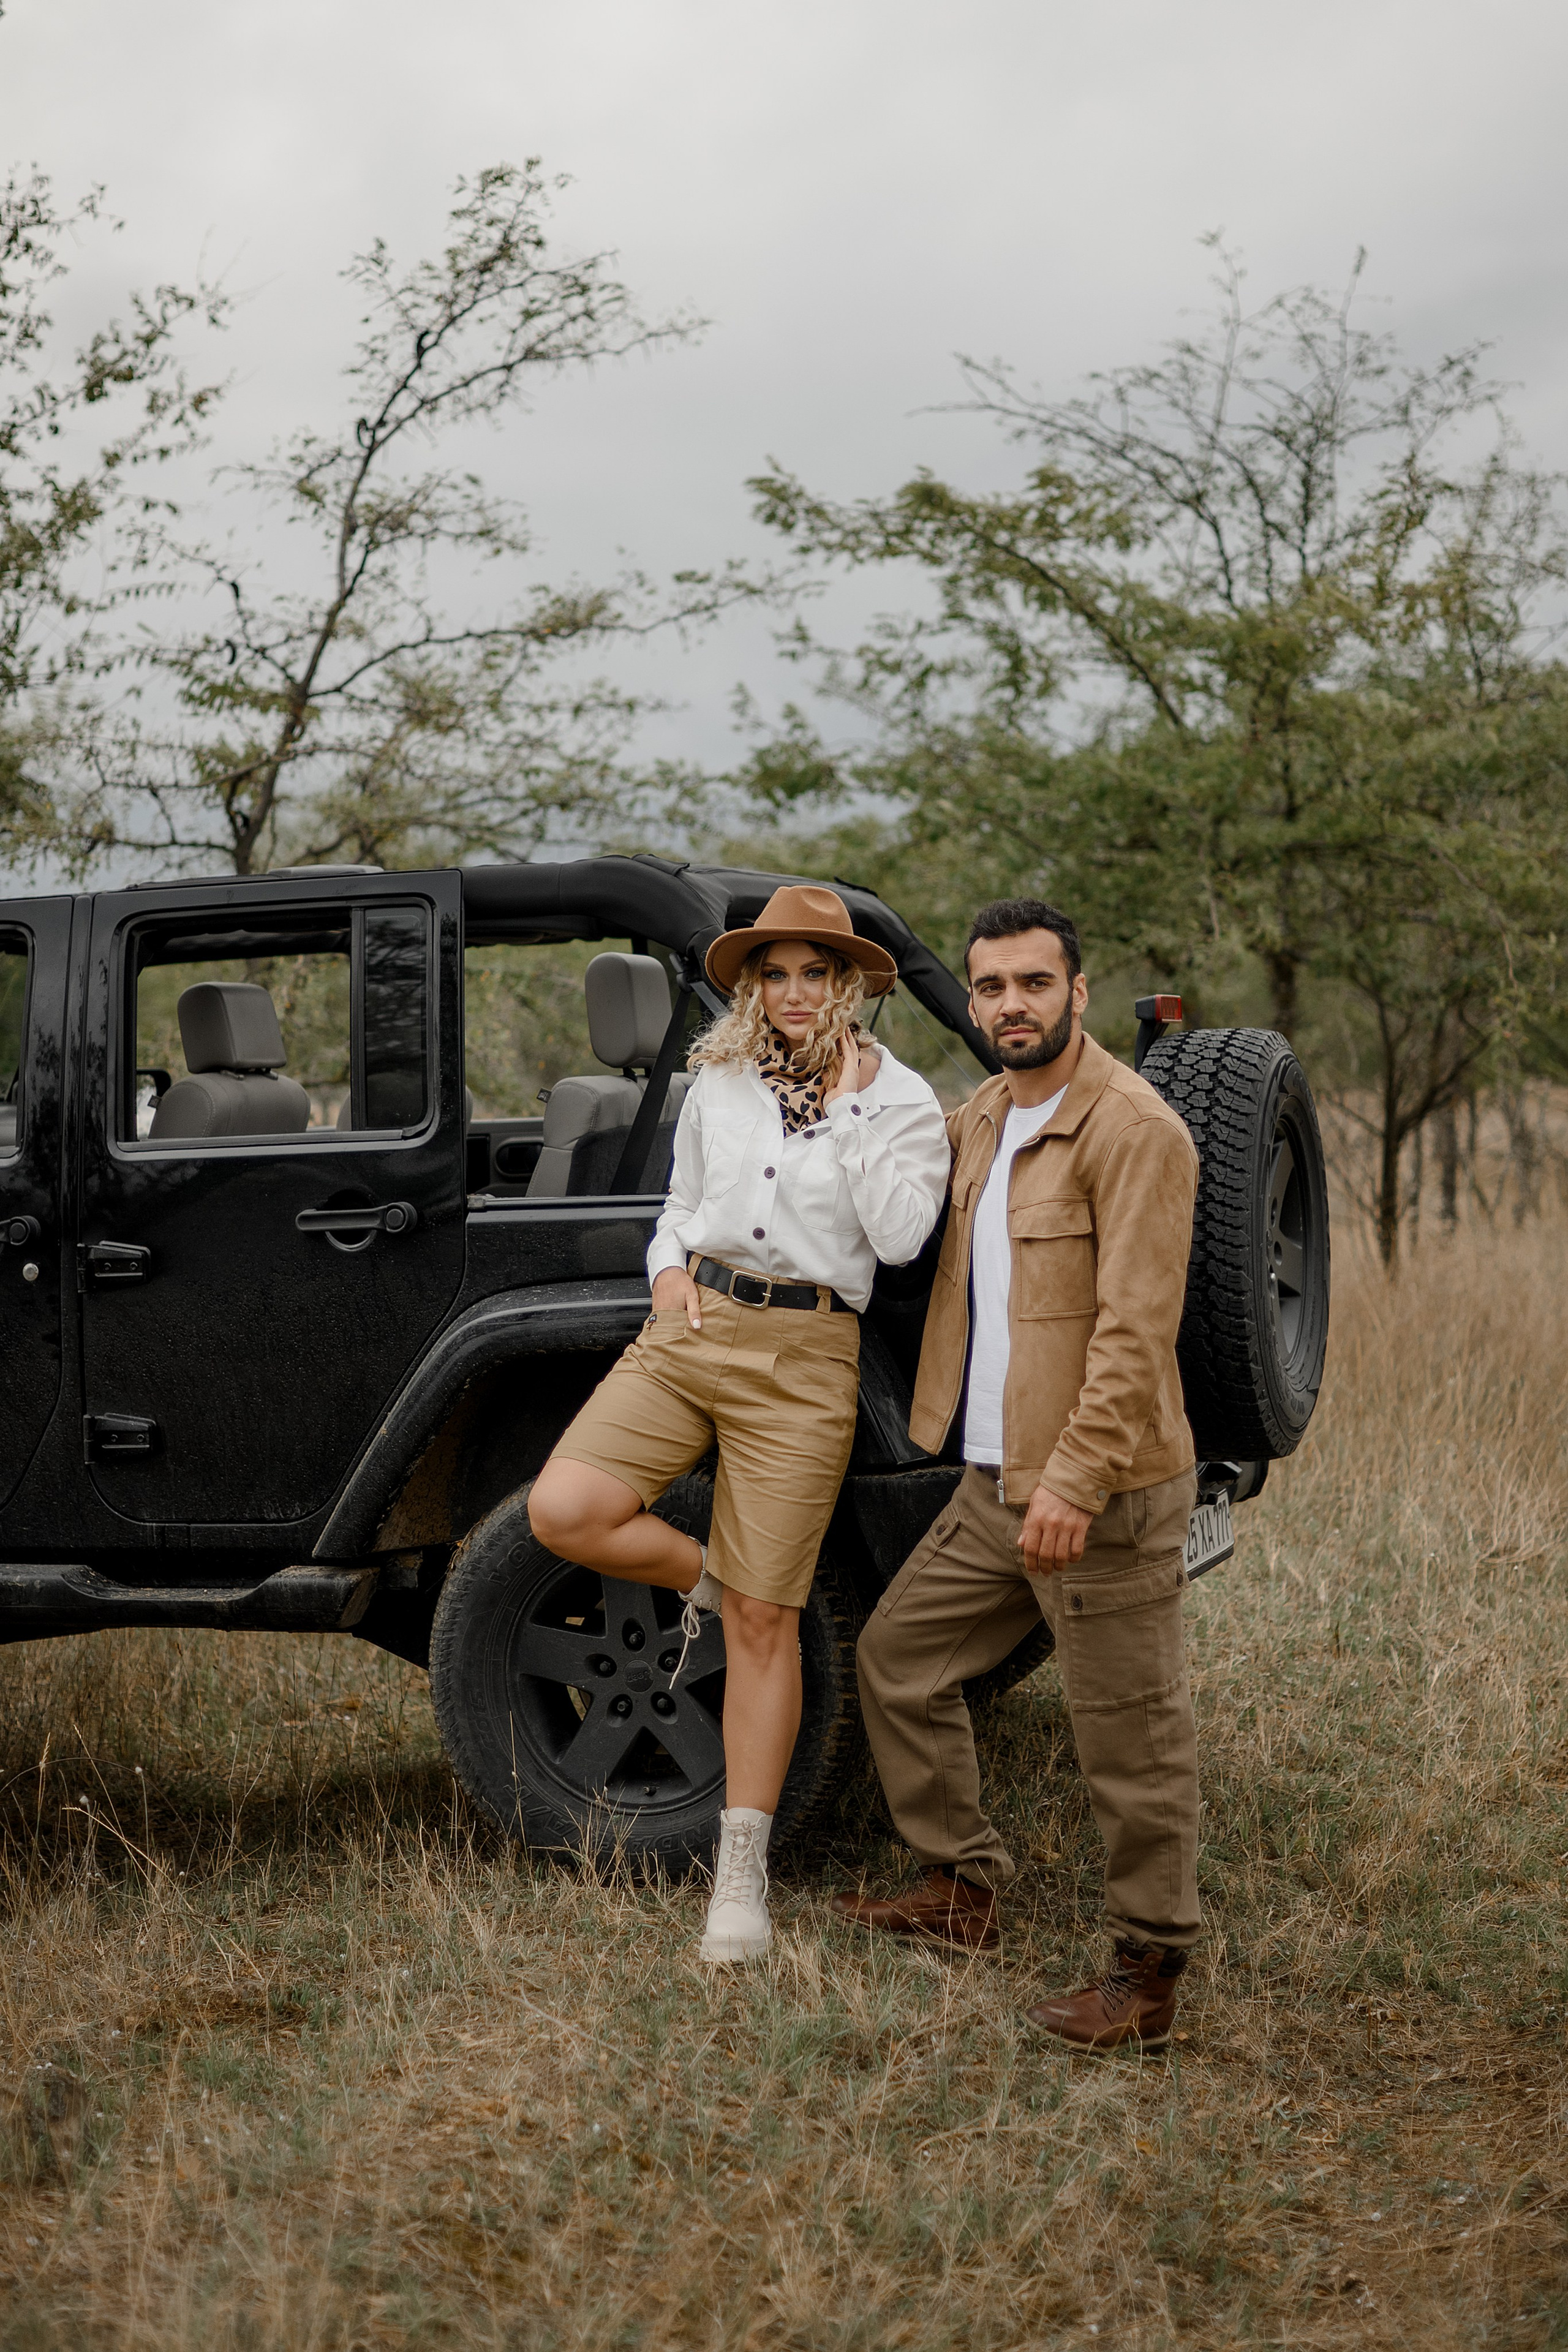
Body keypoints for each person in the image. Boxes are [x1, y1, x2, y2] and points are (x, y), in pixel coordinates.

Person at [529, 885, 949, 1964]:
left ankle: (741, 1879)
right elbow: (679, 1203)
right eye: (778, 972)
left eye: (818, 972)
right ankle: (713, 1572)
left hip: (807, 1356)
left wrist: (850, 1106)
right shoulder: (718, 1079)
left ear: (849, 984)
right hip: (692, 1327)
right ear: (754, 983)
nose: (797, 992)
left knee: (769, 1625)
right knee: (563, 1508)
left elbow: (901, 1242)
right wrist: (666, 1274)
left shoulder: (900, 1098)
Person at [833, 897, 1202, 2052]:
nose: (1010, 1006)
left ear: (1076, 994)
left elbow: (1138, 1336)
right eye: (990, 988)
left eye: (1034, 984)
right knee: (898, 1661)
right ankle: (961, 1889)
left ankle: (1146, 1976)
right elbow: (896, 1138)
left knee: (1128, 1741)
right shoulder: (987, 1114)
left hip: (1096, 1490)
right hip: (994, 1478)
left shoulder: (1135, 1131)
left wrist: (1077, 1483)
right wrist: (832, 1063)